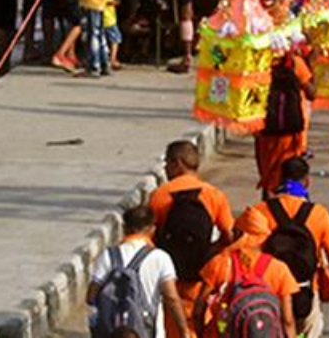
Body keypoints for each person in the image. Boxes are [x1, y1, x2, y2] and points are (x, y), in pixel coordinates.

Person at [241, 156, 329, 336]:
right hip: (307, 293)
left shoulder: (260, 211)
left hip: (271, 295)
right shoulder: (319, 214)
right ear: (307, 181)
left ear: (280, 179)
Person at [191, 207, 300, 337]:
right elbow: (288, 320)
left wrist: (203, 333)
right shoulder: (279, 269)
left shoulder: (221, 263)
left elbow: (198, 311)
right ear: (264, 237)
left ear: (238, 233)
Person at [149, 139, 236, 301]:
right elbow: (229, 236)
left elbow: (149, 237)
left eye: (167, 162)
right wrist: (211, 252)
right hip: (201, 278)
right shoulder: (213, 194)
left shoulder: (159, 195)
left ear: (178, 163)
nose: (166, 168)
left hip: (168, 279)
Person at [88, 205, 191, 338]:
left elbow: (91, 296)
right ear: (152, 229)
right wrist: (184, 330)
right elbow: (171, 298)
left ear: (125, 228)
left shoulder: (108, 255)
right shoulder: (160, 258)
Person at [257, 47, 315, 193]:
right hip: (292, 134)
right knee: (291, 177)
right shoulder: (295, 63)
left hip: (265, 130)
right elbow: (311, 93)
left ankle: (270, 212)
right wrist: (311, 64)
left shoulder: (258, 63)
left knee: (269, 178)